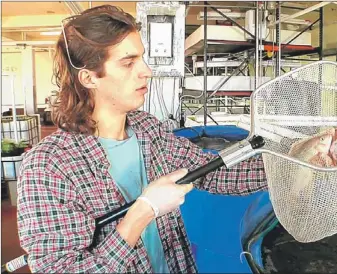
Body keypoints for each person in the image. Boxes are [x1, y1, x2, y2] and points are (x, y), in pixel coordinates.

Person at [16, 5, 267, 273]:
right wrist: (142, 213)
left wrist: (297, 160)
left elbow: (214, 173)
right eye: (128, 62)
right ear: (89, 78)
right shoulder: (48, 167)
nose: (146, 71)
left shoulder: (149, 131)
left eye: (142, 59)